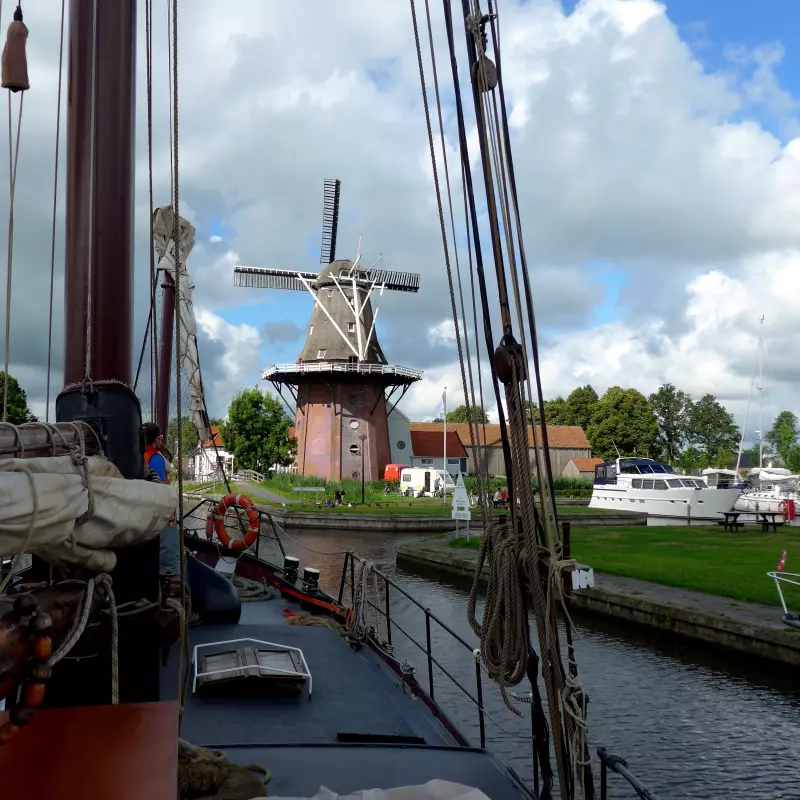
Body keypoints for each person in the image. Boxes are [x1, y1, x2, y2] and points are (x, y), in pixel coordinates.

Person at [143, 423, 181, 597]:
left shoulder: (139, 456)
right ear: (155, 440)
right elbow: (162, 489)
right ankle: (171, 589)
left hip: (144, 513)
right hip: (159, 515)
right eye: (159, 438)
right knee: (171, 540)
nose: (162, 440)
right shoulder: (156, 459)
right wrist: (171, 518)